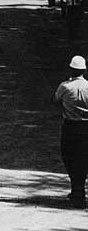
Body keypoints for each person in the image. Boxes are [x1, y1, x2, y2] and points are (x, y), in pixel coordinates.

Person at [54, 56, 88, 208]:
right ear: (84, 70)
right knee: (84, 158)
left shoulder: (65, 86)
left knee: (69, 157)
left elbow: (55, 101)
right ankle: (78, 190)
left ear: (71, 69)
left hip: (71, 126)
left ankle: (77, 190)